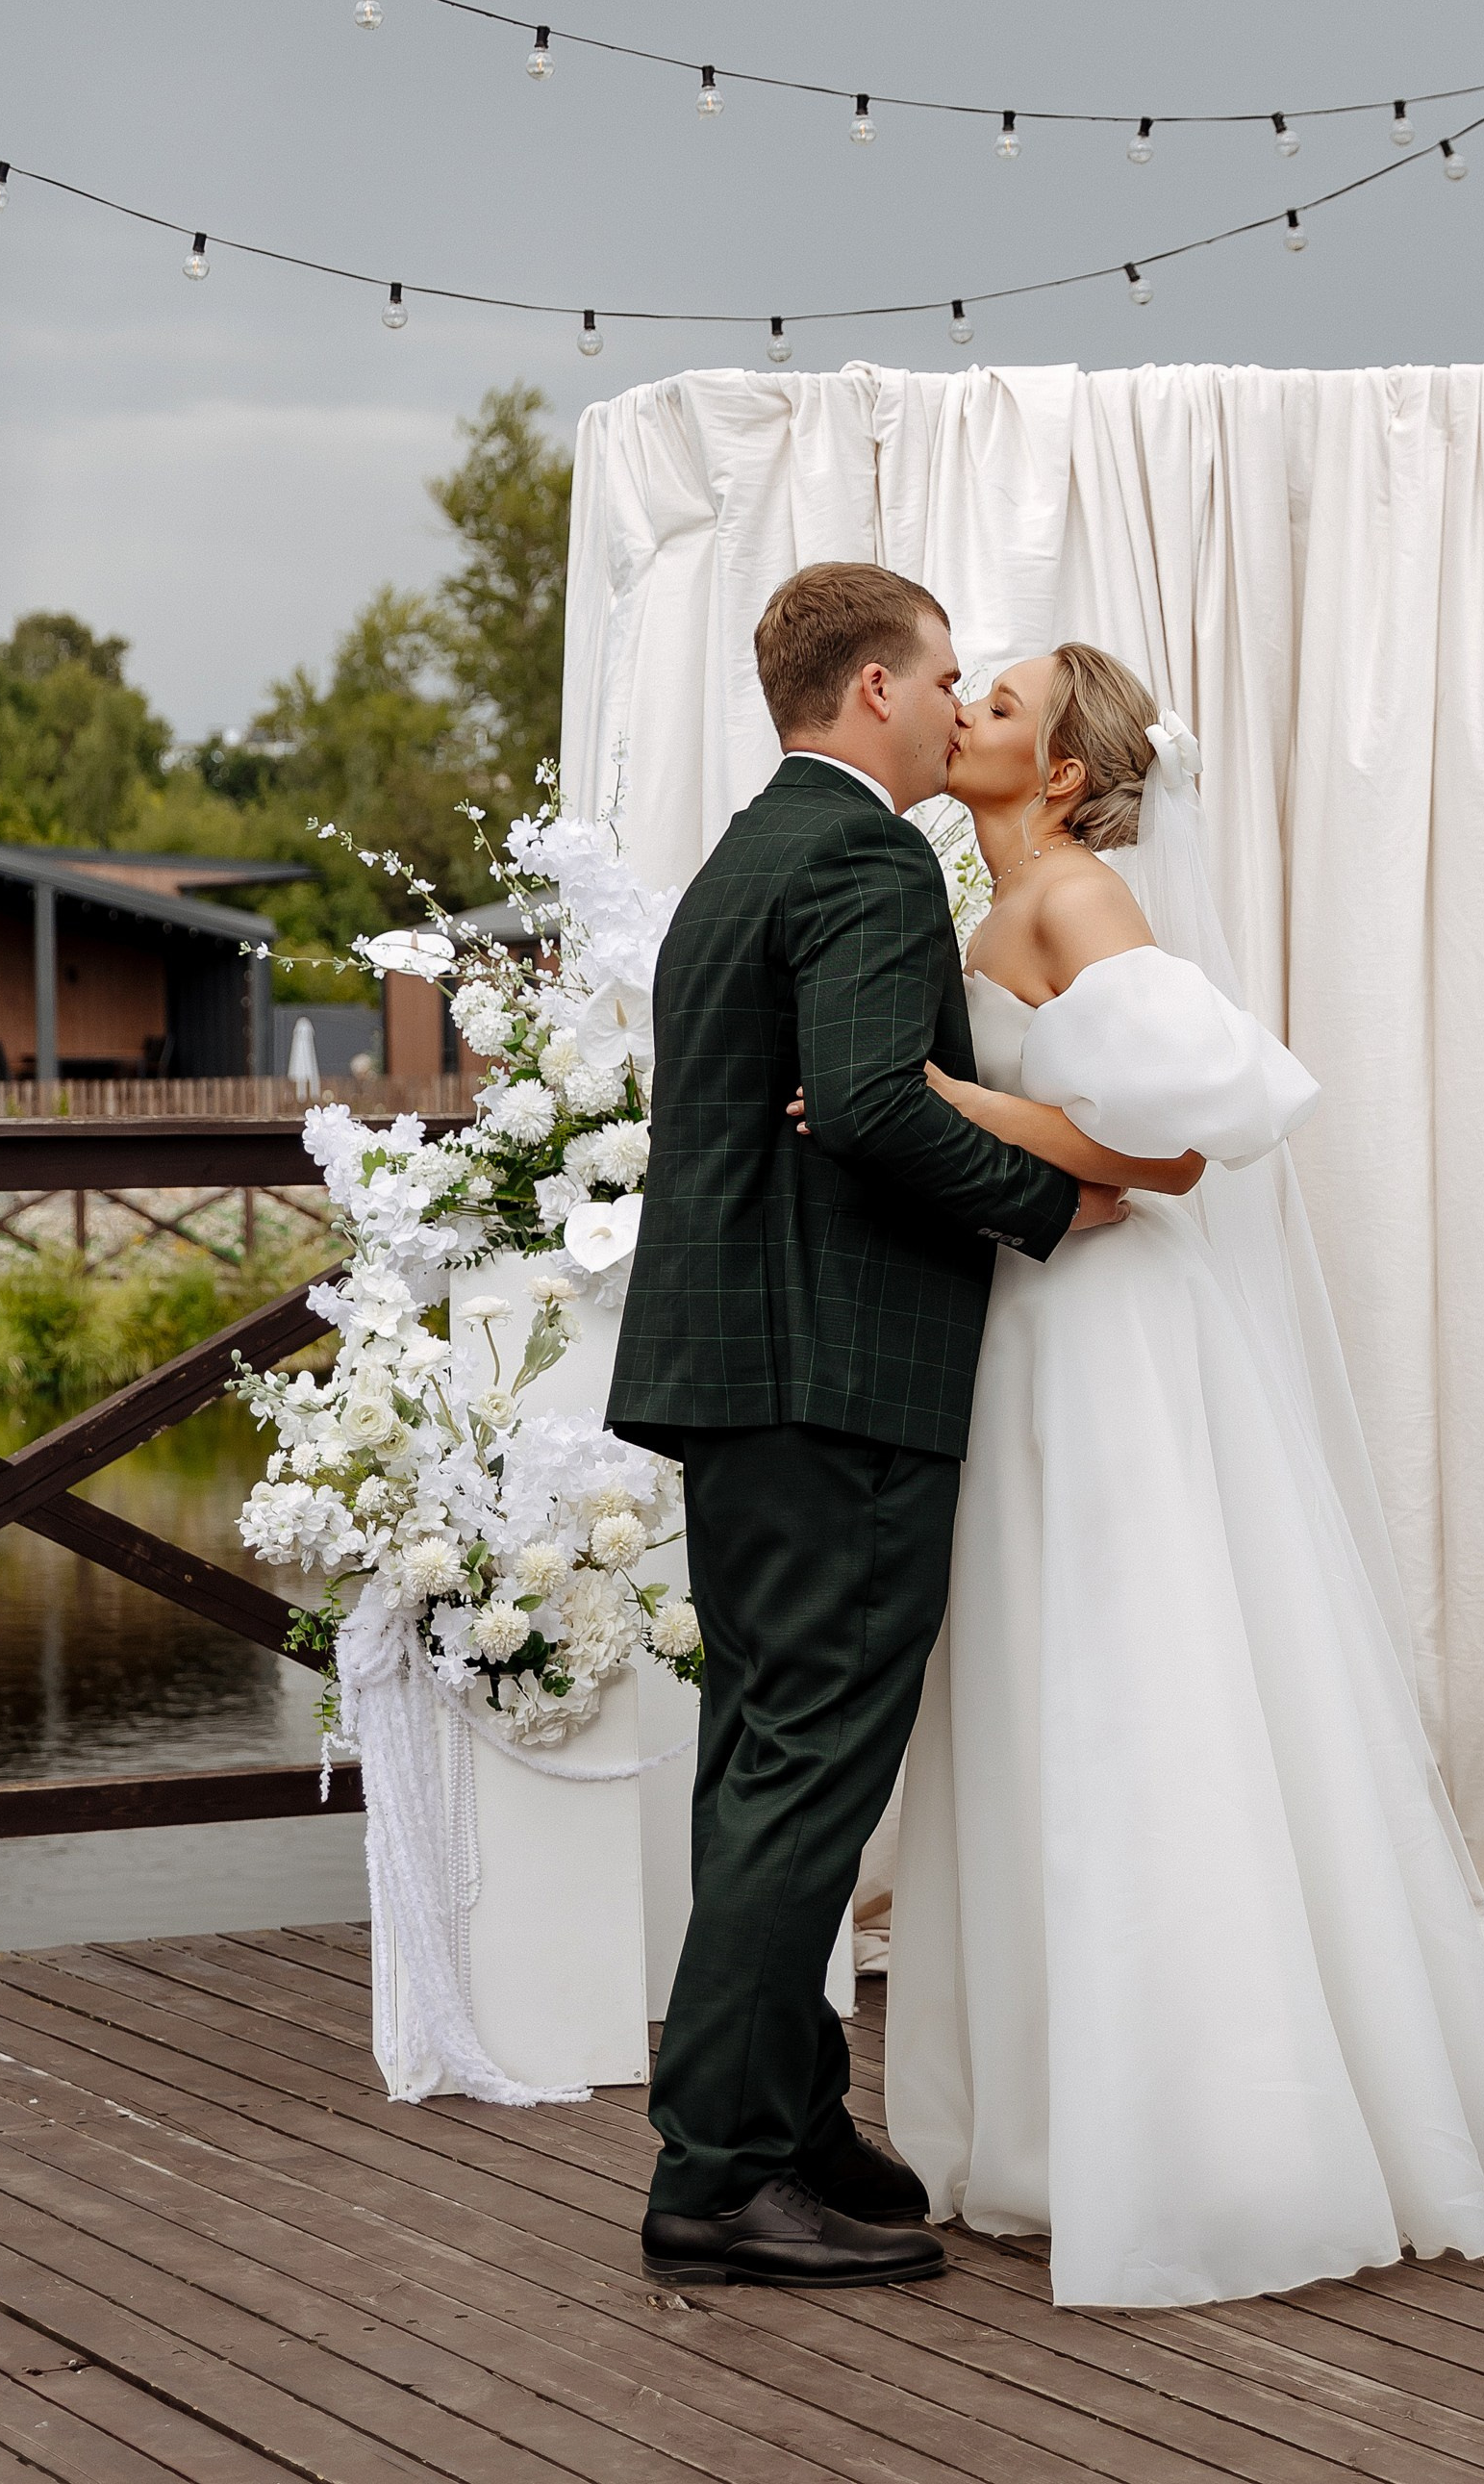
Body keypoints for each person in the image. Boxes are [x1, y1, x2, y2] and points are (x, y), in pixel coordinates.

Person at [882, 642, 1484, 2310]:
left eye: (1002, 704)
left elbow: (1177, 1144)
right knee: (1053, 1698)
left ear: (1055, 777)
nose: (964, 708)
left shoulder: (1079, 903)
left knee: (1142, 1697)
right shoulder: (992, 914)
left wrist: (955, 1102)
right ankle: (1055, 2126)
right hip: (1036, 1321)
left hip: (1111, 1336)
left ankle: (1214, 2139)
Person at [609, 564, 1128, 2290]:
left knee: (763, 1756)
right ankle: (716, 2173)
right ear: (880, 694)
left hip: (748, 1375)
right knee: (809, 1765)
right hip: (836, 1376)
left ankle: (790, 2105)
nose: (959, 696)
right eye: (948, 674)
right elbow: (873, 1110)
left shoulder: (750, 846)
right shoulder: (864, 855)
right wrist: (1064, 1209)